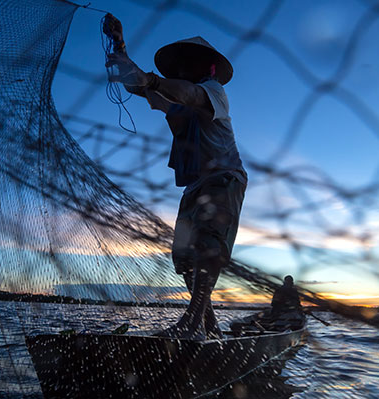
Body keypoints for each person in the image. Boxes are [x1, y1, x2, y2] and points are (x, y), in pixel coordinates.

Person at [103, 16, 247, 340]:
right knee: (184, 256)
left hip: (224, 179)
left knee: (208, 246)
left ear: (205, 67)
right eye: (180, 65)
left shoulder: (214, 92)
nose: (182, 68)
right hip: (195, 186)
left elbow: (190, 95)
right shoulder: (175, 98)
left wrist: (151, 81)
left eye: (188, 63)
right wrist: (119, 45)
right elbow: (136, 85)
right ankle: (210, 328)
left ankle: (191, 324)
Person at [230, 275, 305, 334]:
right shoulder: (293, 291)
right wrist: (299, 309)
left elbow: (274, 303)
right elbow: (297, 303)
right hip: (284, 313)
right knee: (289, 318)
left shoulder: (279, 289)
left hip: (277, 312)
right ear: (291, 282)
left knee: (274, 317)